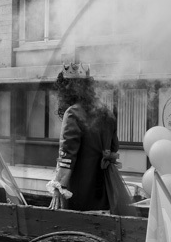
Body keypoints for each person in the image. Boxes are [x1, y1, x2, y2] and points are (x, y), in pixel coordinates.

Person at [48, 64, 119, 212]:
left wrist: (58, 188)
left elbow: (66, 157)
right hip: (105, 193)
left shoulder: (73, 113)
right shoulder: (107, 113)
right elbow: (114, 150)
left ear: (67, 89)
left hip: (79, 195)